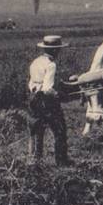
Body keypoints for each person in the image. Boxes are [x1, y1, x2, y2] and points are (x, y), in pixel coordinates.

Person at [27, 35, 72, 166]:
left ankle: (35, 160)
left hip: (34, 99)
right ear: (55, 50)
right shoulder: (51, 64)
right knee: (60, 130)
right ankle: (61, 161)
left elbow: (32, 82)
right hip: (47, 102)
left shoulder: (35, 62)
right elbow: (48, 88)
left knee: (36, 129)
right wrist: (59, 95)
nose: (59, 52)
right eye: (58, 49)